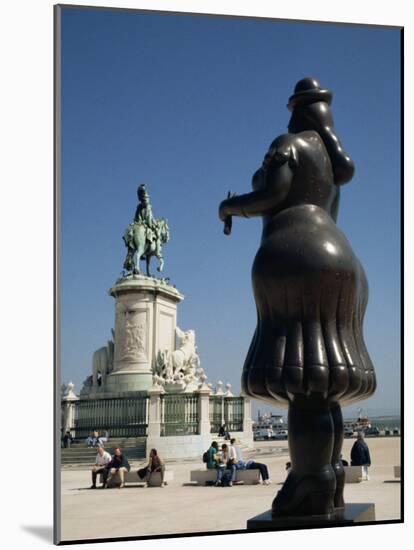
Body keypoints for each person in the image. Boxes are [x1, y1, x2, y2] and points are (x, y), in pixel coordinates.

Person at [218, 77, 376, 516]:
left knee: (301, 376)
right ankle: (329, 475)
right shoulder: (329, 161)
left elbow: (272, 194)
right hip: (343, 257)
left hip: (295, 253)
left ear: (294, 110)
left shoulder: (288, 143)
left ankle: (308, 479)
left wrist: (229, 207)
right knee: (323, 381)